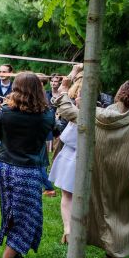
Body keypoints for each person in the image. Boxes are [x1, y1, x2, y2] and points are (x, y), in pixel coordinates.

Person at [53, 76, 129, 258]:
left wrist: (63, 92)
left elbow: (69, 112)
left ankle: (82, 246)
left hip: (96, 173)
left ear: (118, 94)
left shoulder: (98, 113)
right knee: (122, 217)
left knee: (99, 211)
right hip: (123, 176)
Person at [0, 72, 55, 258]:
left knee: (13, 212)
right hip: (27, 170)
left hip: (5, 168)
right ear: (38, 90)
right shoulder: (46, 114)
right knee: (26, 216)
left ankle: (14, 257)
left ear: (16, 88)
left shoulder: (5, 112)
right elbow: (54, 130)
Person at [48, 72, 80, 244]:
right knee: (70, 195)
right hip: (70, 155)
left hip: (73, 157)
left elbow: (59, 100)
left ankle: (69, 229)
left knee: (68, 196)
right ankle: (70, 229)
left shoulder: (77, 113)